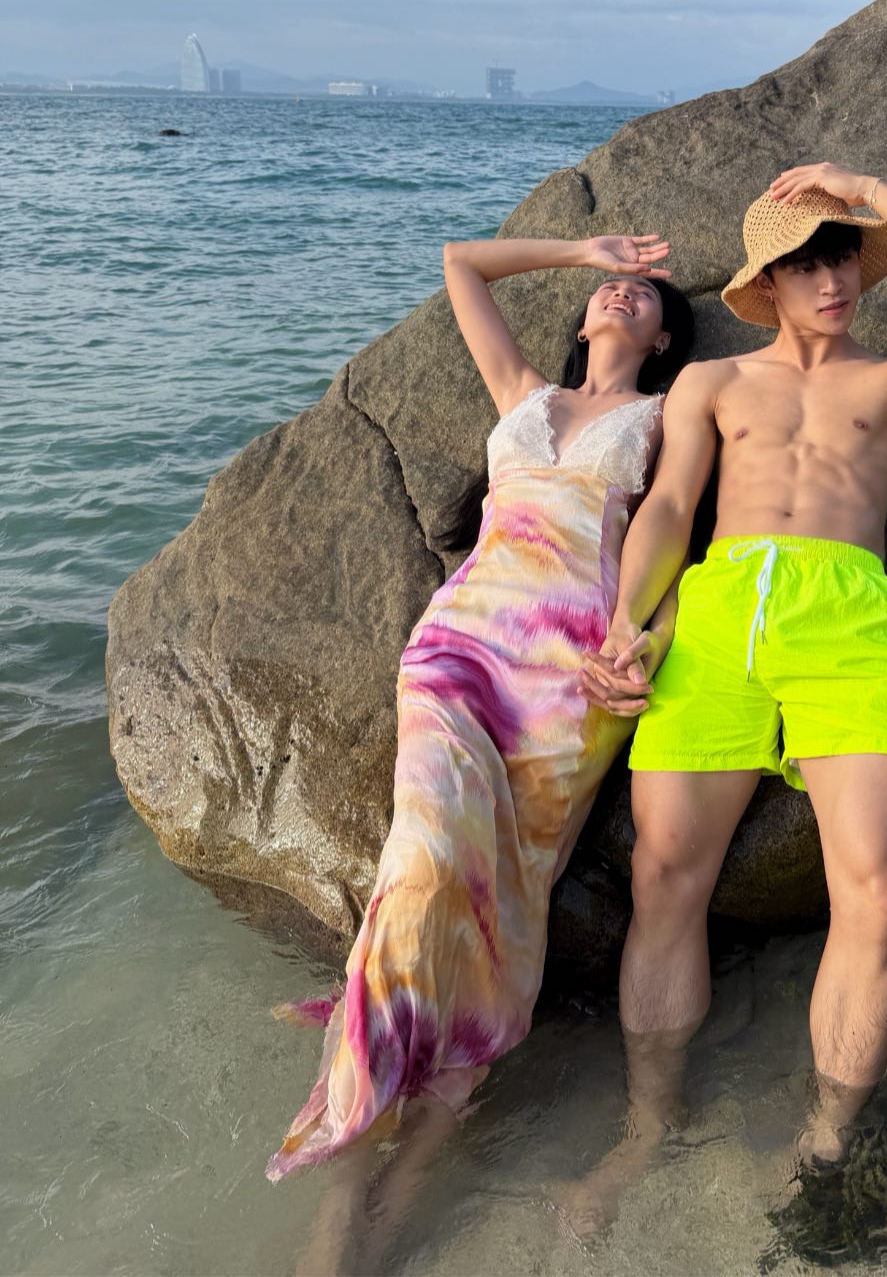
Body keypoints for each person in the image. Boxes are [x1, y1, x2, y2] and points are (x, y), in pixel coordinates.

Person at [579, 160, 887, 1197]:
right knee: (662, 875)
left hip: (851, 618)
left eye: (845, 256)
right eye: (808, 263)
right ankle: (650, 1129)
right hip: (720, 613)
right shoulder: (713, 382)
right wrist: (627, 624)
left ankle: (825, 1142)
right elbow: (671, 508)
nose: (834, 279)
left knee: (876, 885)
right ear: (765, 282)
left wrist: (866, 187)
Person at [266, 230, 695, 1237]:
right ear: (584, 315)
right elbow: (461, 263)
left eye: (643, 294)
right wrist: (583, 246)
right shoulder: (524, 395)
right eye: (611, 287)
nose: (623, 293)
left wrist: (651, 641)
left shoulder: (669, 416)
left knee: (503, 914)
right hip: (459, 647)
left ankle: (405, 1189)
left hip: (572, 680)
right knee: (419, 870)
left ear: (666, 336)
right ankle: (347, 1168)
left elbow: (689, 541)